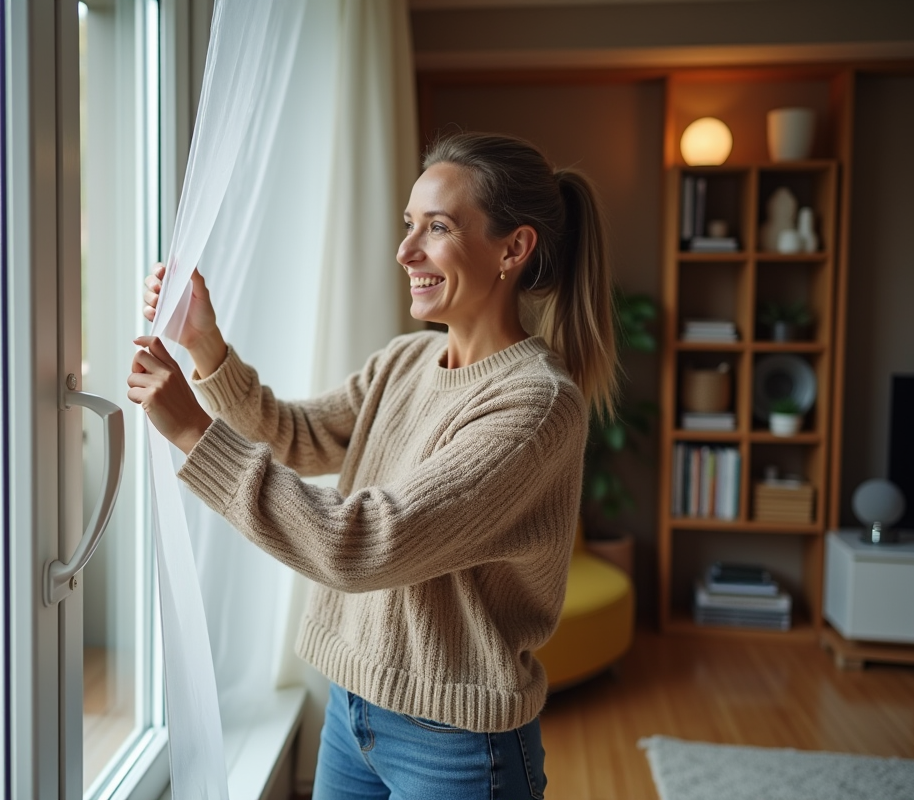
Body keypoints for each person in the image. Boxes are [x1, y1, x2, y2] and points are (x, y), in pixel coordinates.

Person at [126, 132, 617, 799]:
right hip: (351, 711)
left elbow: (364, 544)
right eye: (409, 224)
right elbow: (294, 435)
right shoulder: (406, 361)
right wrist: (205, 346)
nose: (405, 251)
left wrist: (193, 431)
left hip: (458, 746)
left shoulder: (536, 405)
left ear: (514, 248)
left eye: (437, 227)